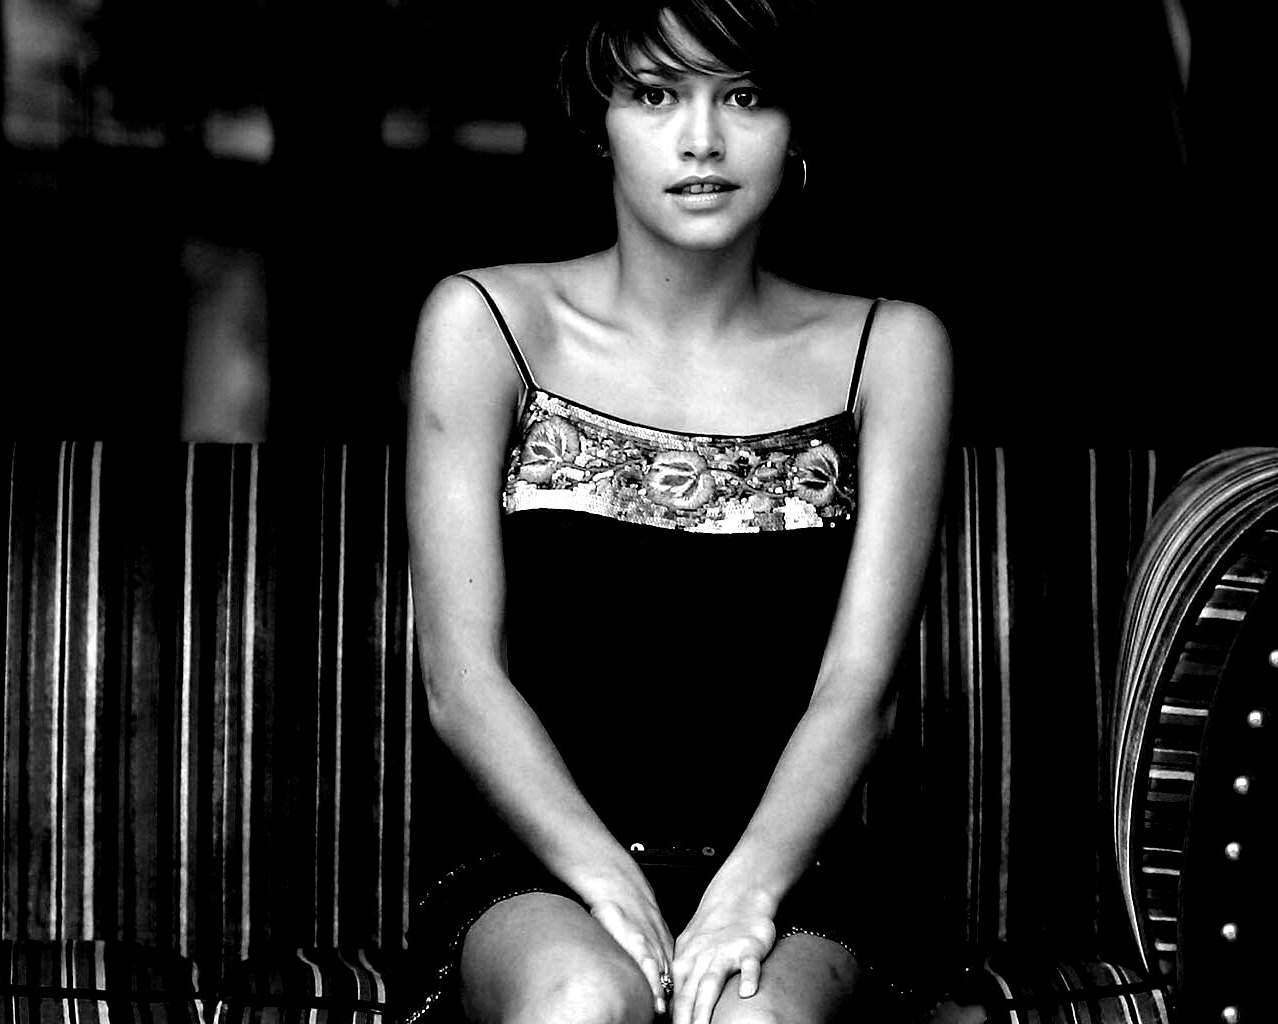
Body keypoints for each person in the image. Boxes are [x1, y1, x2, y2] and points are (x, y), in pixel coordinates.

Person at [398, 2, 951, 1023]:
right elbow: (461, 680)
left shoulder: (891, 350)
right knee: (581, 998)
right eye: (655, 95)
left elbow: (859, 687)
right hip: (539, 868)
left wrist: (745, 896)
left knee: (752, 1018)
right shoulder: (487, 325)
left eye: (745, 96)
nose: (702, 139)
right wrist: (606, 879)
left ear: (795, 126)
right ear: (597, 121)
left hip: (797, 871)